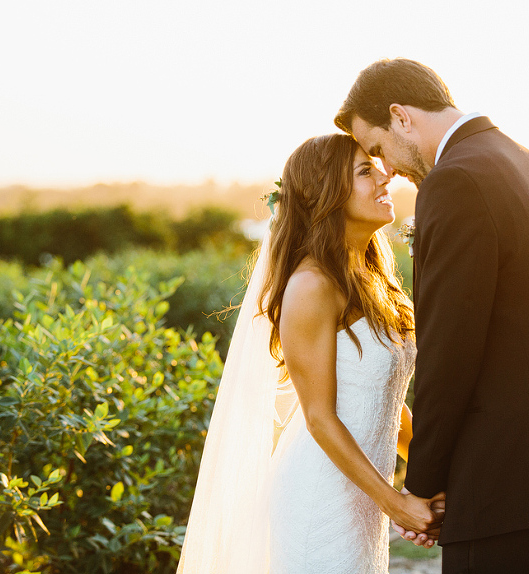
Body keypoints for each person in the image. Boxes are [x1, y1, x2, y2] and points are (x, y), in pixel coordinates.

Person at [335, 58, 529, 573]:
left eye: (379, 148)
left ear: (401, 116)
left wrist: (421, 487)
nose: (389, 169)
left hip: (508, 480)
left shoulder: (455, 183)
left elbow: (450, 353)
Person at [178, 133, 440, 573]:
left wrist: (428, 483)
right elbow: (319, 418)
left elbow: (385, 402)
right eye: (364, 171)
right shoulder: (312, 286)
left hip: (361, 498)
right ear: (327, 195)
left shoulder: (374, 280)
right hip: (319, 498)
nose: (384, 176)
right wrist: (395, 504)